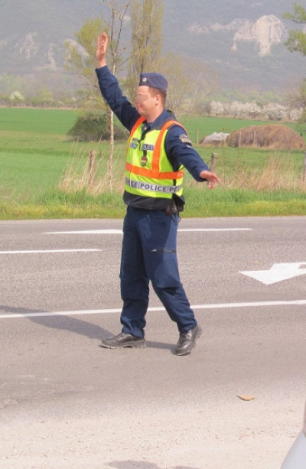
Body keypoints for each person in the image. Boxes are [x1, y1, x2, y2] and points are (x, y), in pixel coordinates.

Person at [94, 32, 220, 355]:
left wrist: (202, 171)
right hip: (134, 212)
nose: (136, 100)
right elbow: (114, 98)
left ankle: (189, 326)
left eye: (142, 96)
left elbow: (187, 155)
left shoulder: (171, 131)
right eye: (136, 95)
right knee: (131, 275)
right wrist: (101, 65)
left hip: (160, 217)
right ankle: (132, 330)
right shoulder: (137, 123)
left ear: (157, 100)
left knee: (163, 278)